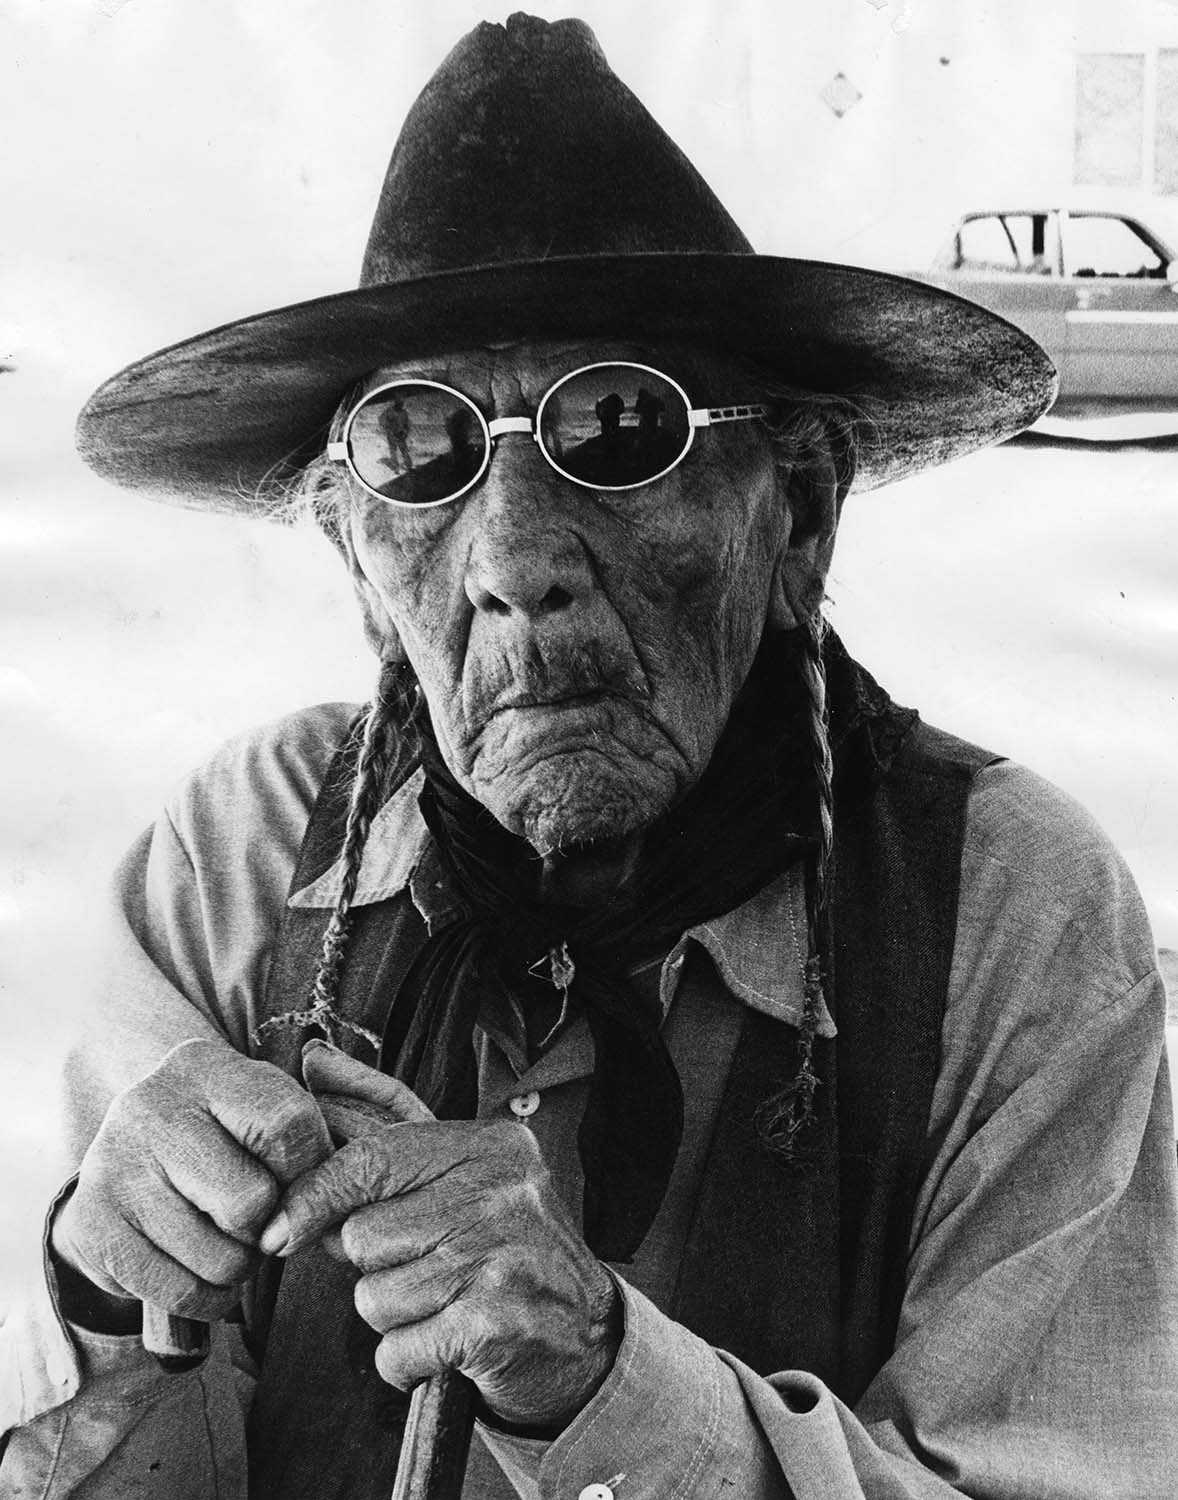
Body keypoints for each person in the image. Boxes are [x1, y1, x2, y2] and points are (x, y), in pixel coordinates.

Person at [3, 14, 1177, 1500]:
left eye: (615, 430)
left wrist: (602, 1380)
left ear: (799, 506)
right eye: (419, 453)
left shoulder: (1004, 906)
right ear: (356, 563)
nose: (510, 561)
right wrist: (113, 1303)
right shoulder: (241, 853)